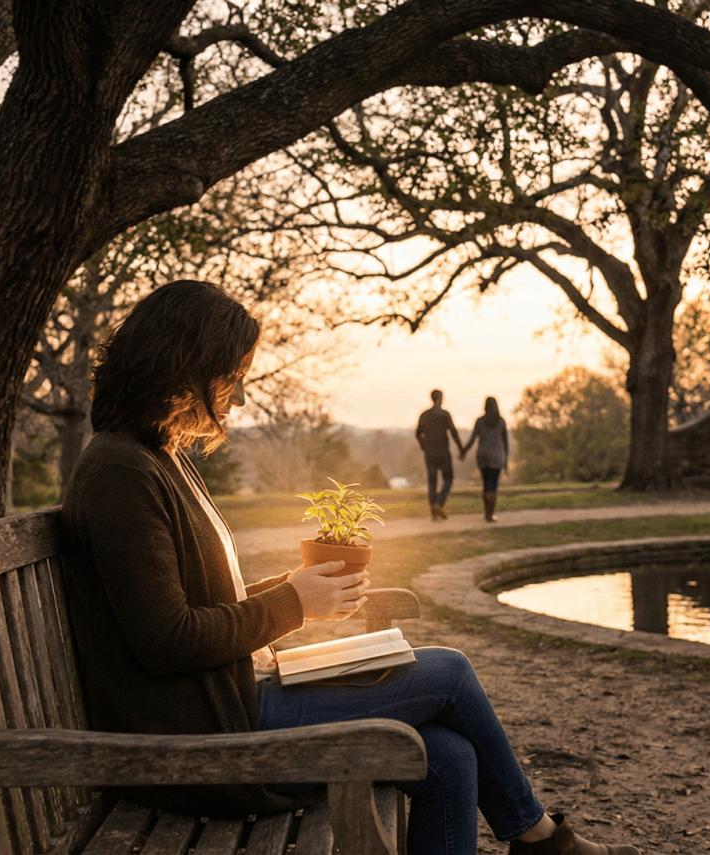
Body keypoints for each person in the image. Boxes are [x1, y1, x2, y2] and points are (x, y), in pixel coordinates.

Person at [60, 280, 639, 855]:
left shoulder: (155, 458)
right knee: (451, 672)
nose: (237, 399)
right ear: (184, 366)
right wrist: (294, 604)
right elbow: (165, 639)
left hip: (232, 703)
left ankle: (536, 840)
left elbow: (192, 604)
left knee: (450, 758)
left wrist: (293, 587)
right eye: (231, 377)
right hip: (211, 741)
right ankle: (539, 840)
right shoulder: (121, 472)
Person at [415, 389, 463, 520]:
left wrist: (424, 446)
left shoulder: (424, 415)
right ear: (441, 398)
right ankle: (439, 503)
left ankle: (434, 513)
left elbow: (418, 434)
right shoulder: (444, 414)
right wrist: (461, 448)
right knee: (448, 479)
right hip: (443, 452)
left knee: (432, 482)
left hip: (430, 453)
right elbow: (454, 433)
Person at [460, 396, 510, 522]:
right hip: (497, 456)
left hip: (483, 456)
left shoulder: (480, 421)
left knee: (485, 484)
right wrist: (505, 461)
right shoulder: (501, 422)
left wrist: (463, 451)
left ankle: (486, 513)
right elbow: (505, 443)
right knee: (492, 485)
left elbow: (472, 439)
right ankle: (490, 514)